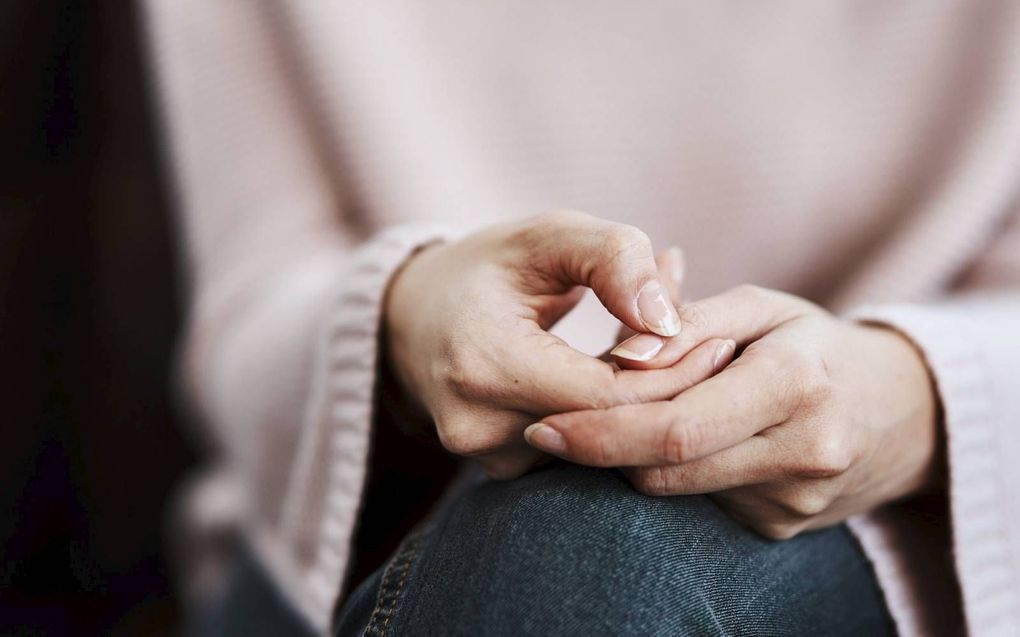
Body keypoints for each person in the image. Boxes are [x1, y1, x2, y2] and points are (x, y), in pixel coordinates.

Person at [144, 2, 1020, 635]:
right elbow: (254, 292)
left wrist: (916, 396)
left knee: (585, 538)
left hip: (918, 537)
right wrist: (409, 312)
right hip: (352, 534)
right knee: (573, 537)